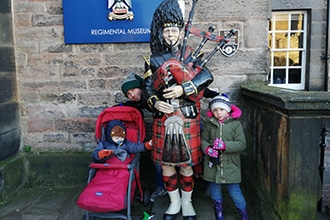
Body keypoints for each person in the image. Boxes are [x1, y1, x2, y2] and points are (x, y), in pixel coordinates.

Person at [143, 0, 214, 219]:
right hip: (163, 118)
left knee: (186, 166)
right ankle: (174, 203)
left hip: (186, 116)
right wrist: (154, 102)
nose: (170, 35)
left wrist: (183, 90)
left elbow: (207, 77)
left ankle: (188, 203)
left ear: (180, 32)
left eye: (174, 30)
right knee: (166, 166)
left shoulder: (192, 55)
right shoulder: (153, 59)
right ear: (161, 34)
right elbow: (146, 87)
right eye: (167, 31)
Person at [121, 73, 168, 202]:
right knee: (157, 158)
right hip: (161, 127)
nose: (132, 96)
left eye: (132, 91)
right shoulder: (140, 101)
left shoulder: (154, 90)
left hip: (177, 122)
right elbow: (131, 105)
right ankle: (161, 186)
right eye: (128, 94)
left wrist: (214, 95)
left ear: (139, 86)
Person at [201, 94, 249, 220]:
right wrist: (207, 149)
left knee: (235, 193)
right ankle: (219, 216)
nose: (218, 113)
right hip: (213, 166)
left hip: (231, 165)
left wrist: (225, 146)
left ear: (228, 110)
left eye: (221, 110)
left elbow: (242, 144)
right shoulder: (210, 125)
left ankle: (244, 216)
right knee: (215, 192)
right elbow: (204, 140)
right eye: (215, 110)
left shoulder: (235, 124)